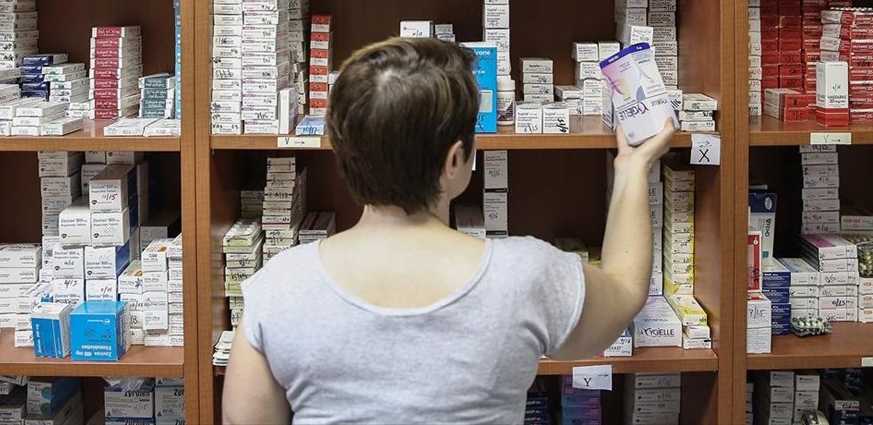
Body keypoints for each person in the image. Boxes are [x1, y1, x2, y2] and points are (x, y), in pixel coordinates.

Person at [223, 37, 675, 425]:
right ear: (455, 159)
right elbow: (625, 291)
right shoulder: (526, 275)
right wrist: (633, 168)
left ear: (342, 151)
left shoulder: (277, 288)